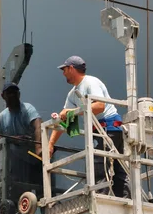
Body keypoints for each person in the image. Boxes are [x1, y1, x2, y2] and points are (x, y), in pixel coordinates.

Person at [48, 56, 130, 199]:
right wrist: (50, 144)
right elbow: (65, 121)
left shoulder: (91, 82)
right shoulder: (72, 94)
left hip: (109, 127)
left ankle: (102, 199)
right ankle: (121, 199)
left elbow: (99, 106)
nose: (63, 73)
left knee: (101, 166)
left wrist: (72, 112)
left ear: (72, 68)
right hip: (101, 130)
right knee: (115, 167)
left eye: (64, 69)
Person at [0, 82, 43, 196]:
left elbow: (38, 124)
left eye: (14, 92)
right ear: (3, 96)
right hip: (17, 165)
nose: (12, 95)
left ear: (19, 94)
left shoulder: (28, 109)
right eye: (9, 93)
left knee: (42, 194)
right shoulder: (2, 117)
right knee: (18, 199)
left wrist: (38, 147)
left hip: (35, 161)